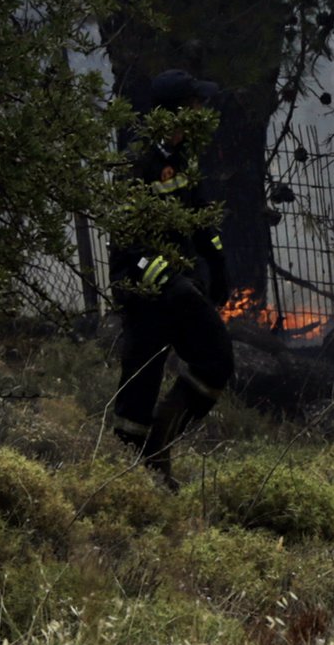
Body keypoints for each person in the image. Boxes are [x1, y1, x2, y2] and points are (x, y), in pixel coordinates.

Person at [106, 69, 237, 485]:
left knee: (216, 361)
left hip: (181, 287)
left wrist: (217, 264)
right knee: (140, 385)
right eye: (197, 104)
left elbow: (198, 216)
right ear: (179, 111)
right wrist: (166, 279)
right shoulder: (137, 161)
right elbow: (125, 242)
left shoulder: (182, 157)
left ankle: (159, 448)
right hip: (147, 292)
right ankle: (136, 479)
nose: (203, 111)